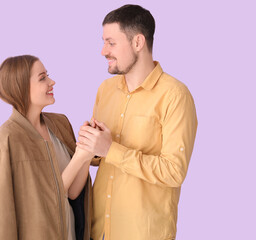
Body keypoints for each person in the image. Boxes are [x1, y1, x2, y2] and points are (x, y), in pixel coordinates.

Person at [77, 4, 198, 240]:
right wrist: (91, 143)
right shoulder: (106, 89)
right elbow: (100, 158)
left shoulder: (175, 95)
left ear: (138, 42)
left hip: (143, 234)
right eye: (104, 42)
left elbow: (174, 171)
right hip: (97, 230)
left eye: (111, 43)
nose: (103, 51)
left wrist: (111, 149)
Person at [0, 55, 93, 240]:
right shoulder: (8, 138)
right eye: (42, 78)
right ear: (20, 86)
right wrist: (79, 156)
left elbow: (71, 193)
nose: (51, 81)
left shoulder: (60, 124)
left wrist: (87, 152)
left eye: (48, 75)